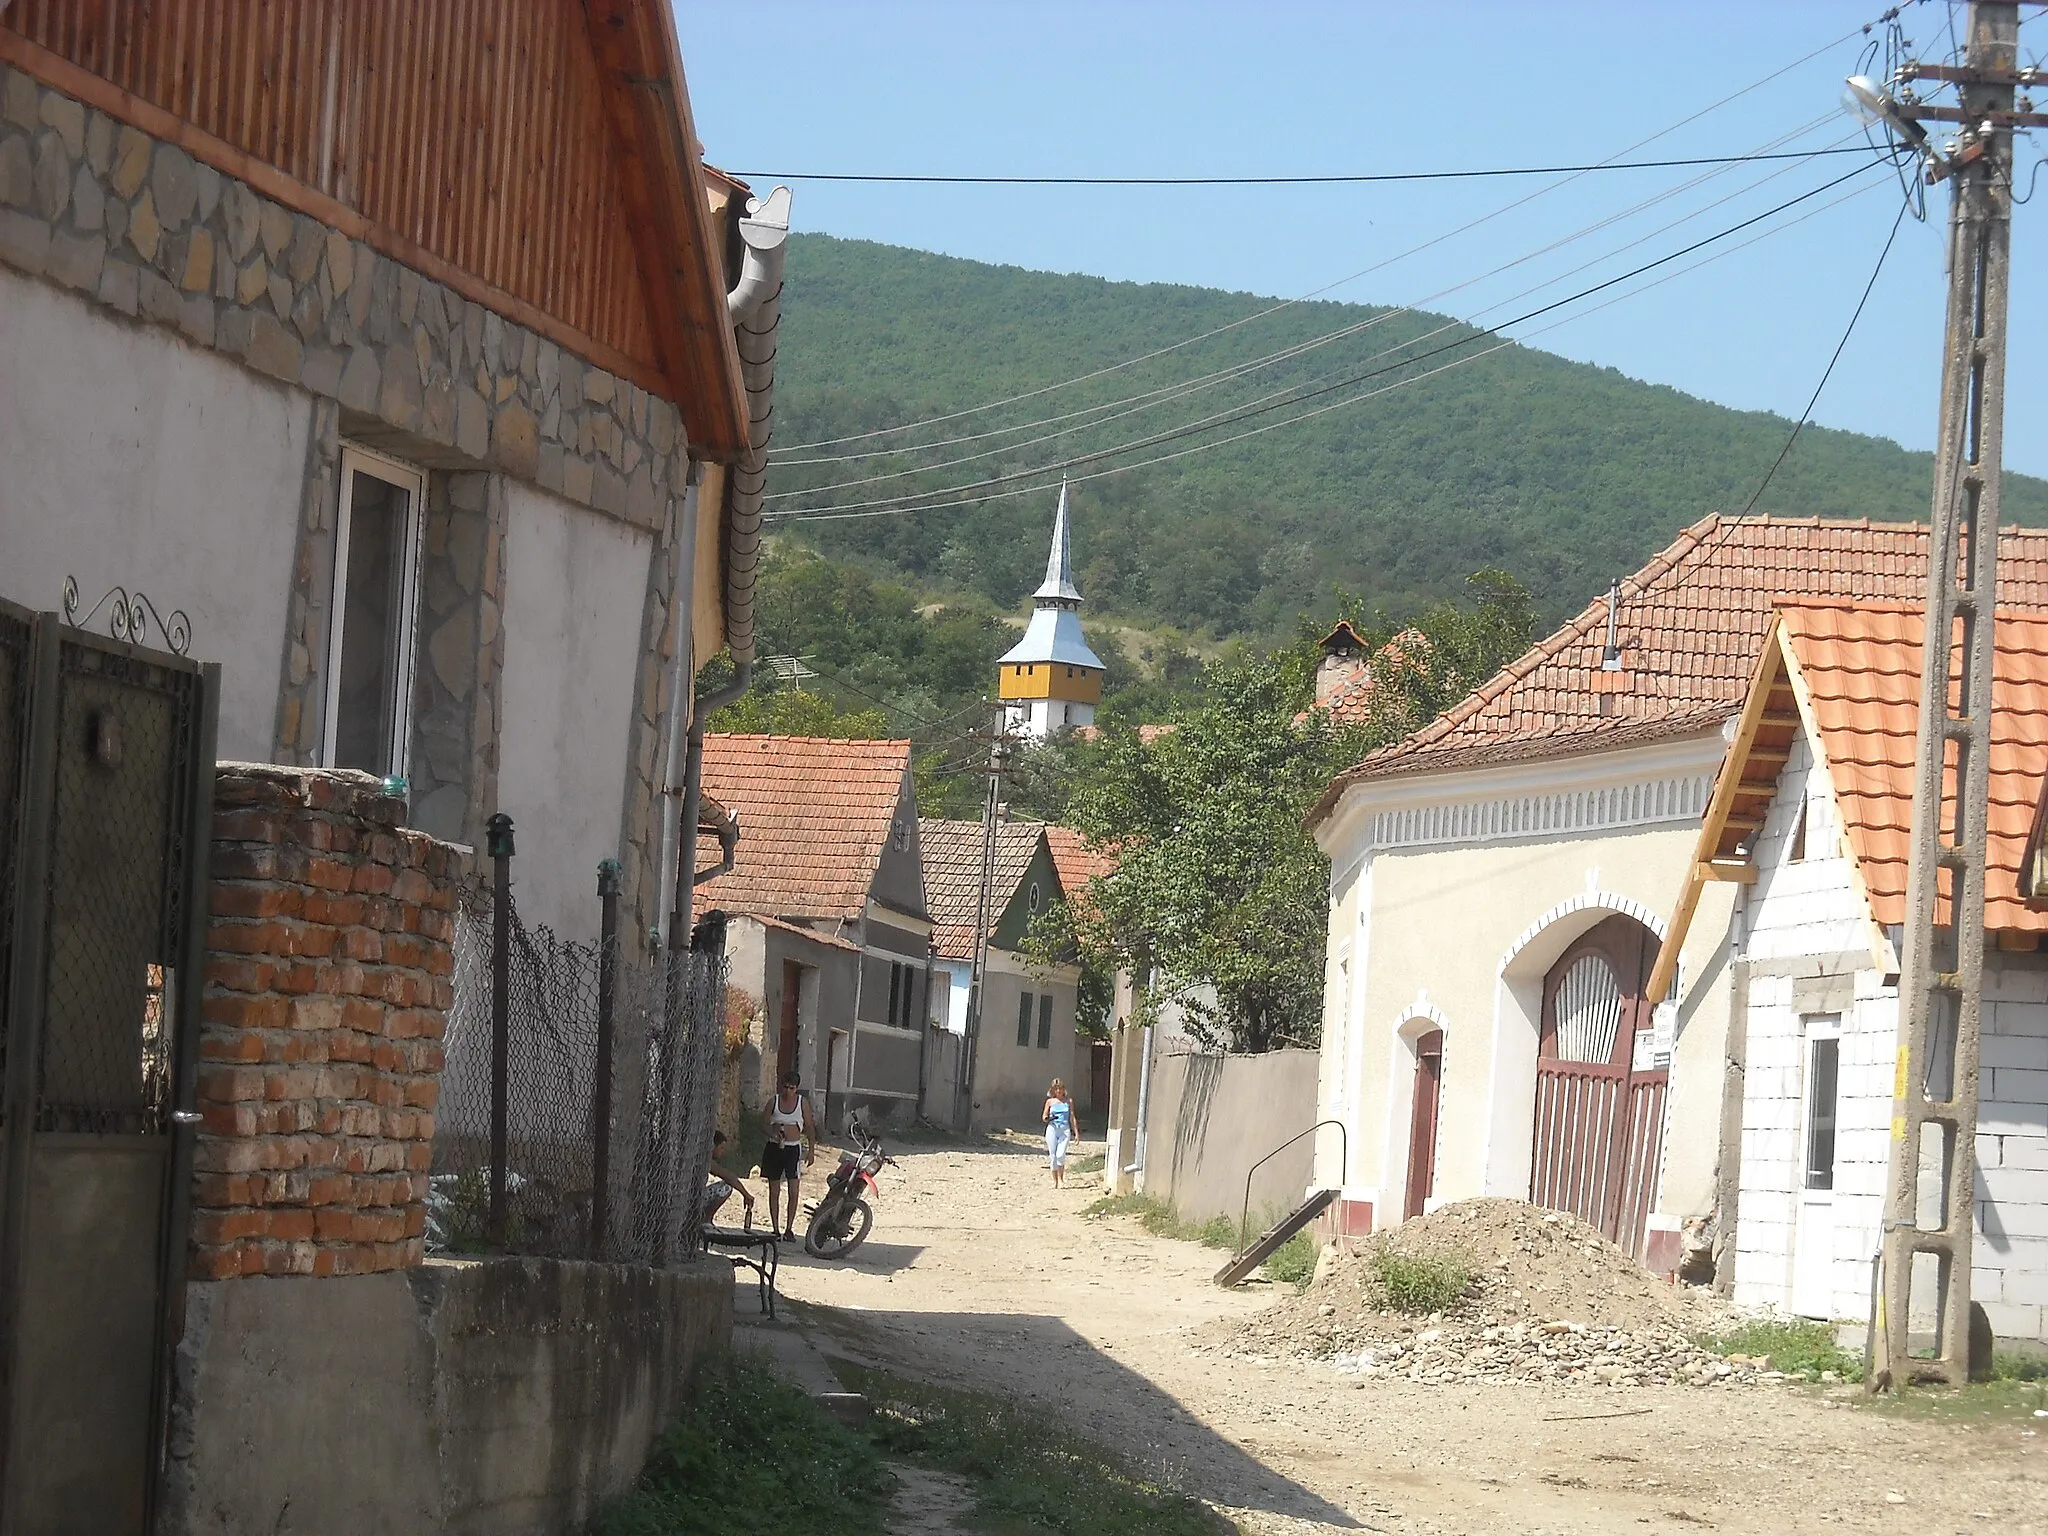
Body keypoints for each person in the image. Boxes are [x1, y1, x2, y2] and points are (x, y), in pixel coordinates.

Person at [761, 1070, 815, 1239]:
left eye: (791, 1088)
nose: (788, 1091)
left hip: (793, 1149)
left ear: (796, 1089)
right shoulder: (774, 1102)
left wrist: (811, 1150)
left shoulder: (801, 1103)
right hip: (774, 1148)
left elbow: (809, 1126)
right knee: (774, 1190)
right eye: (785, 1087)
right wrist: (772, 1132)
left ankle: (789, 1228)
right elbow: (762, 1123)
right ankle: (775, 1228)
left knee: (793, 1189)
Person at [701, 1129, 757, 1229]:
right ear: (713, 1146)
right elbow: (729, 1177)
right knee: (726, 1188)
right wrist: (745, 1194)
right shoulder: (706, 1160)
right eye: (721, 1148)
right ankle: (706, 1220)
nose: (723, 1151)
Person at [1042, 1078, 1076, 1187]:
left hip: (1064, 1129)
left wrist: (1076, 1132)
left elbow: (1072, 1117)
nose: (1058, 1091)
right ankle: (1055, 1181)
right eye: (1056, 1089)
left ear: (1063, 1089)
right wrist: (1048, 1118)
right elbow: (1044, 1117)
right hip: (1052, 1128)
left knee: (1060, 1154)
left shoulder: (1068, 1101)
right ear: (1052, 1090)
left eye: (1060, 1088)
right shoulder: (1050, 1102)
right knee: (1053, 1155)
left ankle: (1061, 1179)